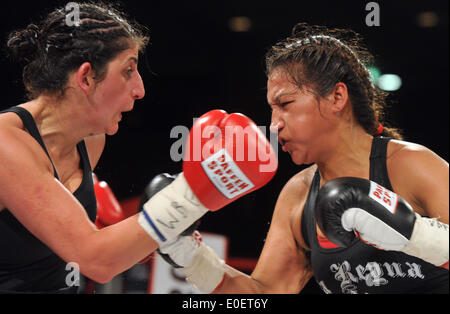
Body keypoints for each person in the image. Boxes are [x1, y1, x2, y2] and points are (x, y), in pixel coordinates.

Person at [0, 2, 276, 293]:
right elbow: (96, 260)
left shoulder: (91, 141)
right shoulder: (7, 143)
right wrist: (192, 194)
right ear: (86, 77)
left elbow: (82, 250)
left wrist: (150, 235)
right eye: (128, 70)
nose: (140, 89)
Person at [157, 23, 449, 294]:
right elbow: (265, 294)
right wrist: (190, 257)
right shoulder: (298, 196)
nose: (274, 125)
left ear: (336, 97)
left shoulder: (410, 165)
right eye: (272, 109)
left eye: (285, 104)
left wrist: (415, 234)